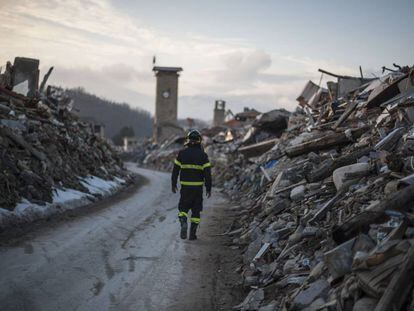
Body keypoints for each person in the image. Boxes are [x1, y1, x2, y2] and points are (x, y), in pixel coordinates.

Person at [171, 129, 212, 240]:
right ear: (199, 141)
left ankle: (183, 222)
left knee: (183, 209)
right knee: (196, 211)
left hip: (185, 188)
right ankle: (192, 235)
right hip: (197, 189)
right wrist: (208, 188)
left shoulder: (182, 154)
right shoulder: (203, 156)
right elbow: (207, 174)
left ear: (188, 140)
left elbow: (175, 170)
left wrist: (173, 184)